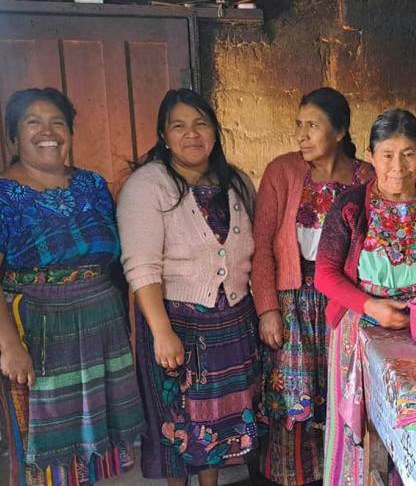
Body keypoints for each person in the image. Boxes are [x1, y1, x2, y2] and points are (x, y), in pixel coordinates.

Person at [314, 109, 416, 485]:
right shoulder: (352, 206)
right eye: (387, 153)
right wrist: (371, 305)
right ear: (371, 156)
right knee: (366, 435)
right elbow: (325, 274)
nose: (397, 165)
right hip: (362, 331)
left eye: (408, 153)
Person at [0, 88, 144, 485]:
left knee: (96, 441)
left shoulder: (92, 185)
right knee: (43, 446)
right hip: (38, 330)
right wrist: (9, 345)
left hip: (100, 321)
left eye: (57, 122)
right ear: (13, 137)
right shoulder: (3, 195)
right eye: (34, 122)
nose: (48, 132)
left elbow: (115, 257)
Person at [117, 89, 260, 486]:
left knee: (216, 423)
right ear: (163, 135)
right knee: (179, 425)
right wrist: (162, 332)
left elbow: (253, 252)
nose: (191, 134)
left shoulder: (238, 183)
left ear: (215, 132)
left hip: (232, 323)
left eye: (200, 124)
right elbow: (141, 265)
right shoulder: (148, 186)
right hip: (176, 326)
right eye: (178, 126)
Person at [251, 87, 373, 485]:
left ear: (339, 131)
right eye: (298, 125)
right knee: (293, 401)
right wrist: (267, 308)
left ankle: (341, 476)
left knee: (347, 396)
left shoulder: (366, 177)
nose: (301, 135)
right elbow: (263, 243)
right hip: (293, 305)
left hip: (344, 304)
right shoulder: (282, 171)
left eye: (312, 125)